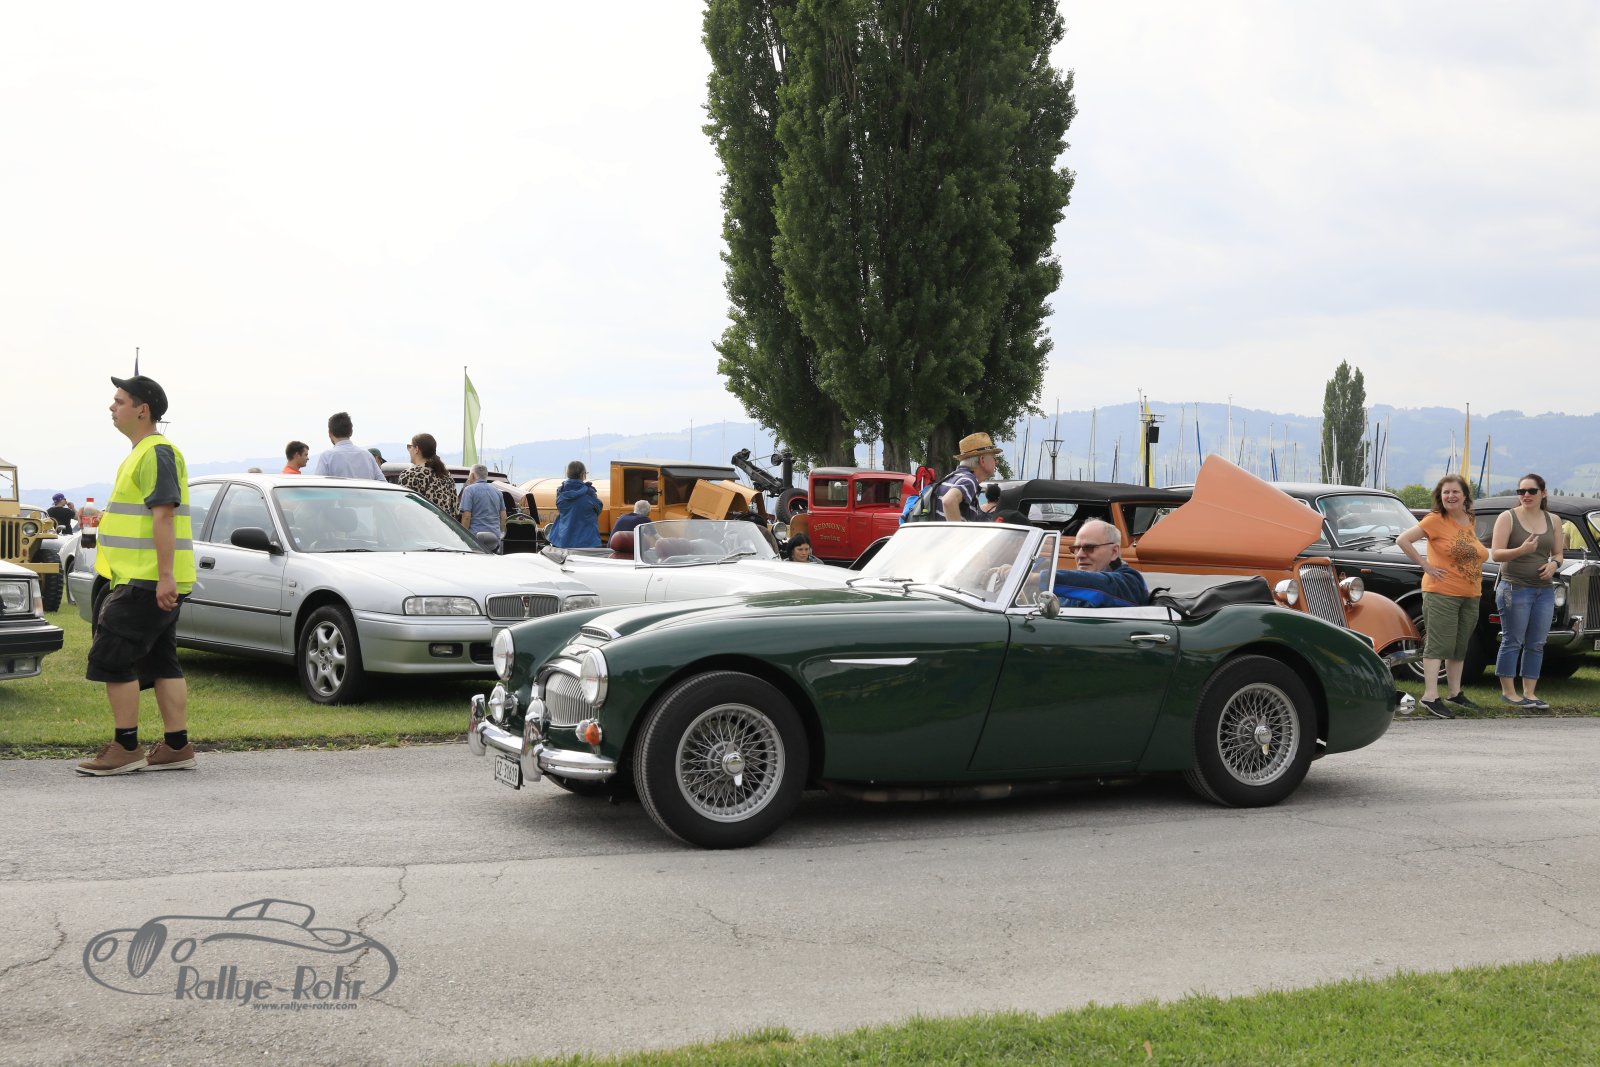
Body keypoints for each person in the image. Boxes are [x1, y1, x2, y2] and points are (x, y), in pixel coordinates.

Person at [76, 374, 197, 776]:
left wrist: (164, 577)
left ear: (142, 410)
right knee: (162, 661)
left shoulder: (157, 452)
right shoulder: (143, 452)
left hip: (146, 580)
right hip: (148, 578)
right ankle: (177, 746)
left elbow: (164, 516)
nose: (112, 407)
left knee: (111, 657)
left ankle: (126, 747)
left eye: (119, 401)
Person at [1397, 474, 1490, 719]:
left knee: (1459, 647)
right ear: (1440, 496)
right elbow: (1403, 540)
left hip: (1470, 593)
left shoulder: (1469, 518)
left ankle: (1455, 693)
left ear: (1465, 495)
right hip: (1442, 593)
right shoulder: (1435, 519)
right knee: (1439, 644)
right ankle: (1430, 696)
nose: (1450, 496)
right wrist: (1425, 565)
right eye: (1446, 492)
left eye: (1455, 492)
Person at [1489, 473, 1561, 710]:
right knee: (1513, 640)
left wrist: (1554, 564)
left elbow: (1558, 553)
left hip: (1544, 591)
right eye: (1521, 491)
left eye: (1531, 491)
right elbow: (1496, 554)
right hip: (1514, 588)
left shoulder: (1554, 520)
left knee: (1537, 642)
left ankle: (1529, 693)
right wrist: (1521, 550)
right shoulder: (1507, 517)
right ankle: (1509, 692)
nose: (1526, 495)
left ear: (1543, 493)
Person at [1053, 520, 1149, 607]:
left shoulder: (1130, 583)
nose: (1080, 555)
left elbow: (1098, 586)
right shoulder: (1076, 586)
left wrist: (1048, 578)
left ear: (1114, 552)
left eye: (1089, 548)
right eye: (1076, 548)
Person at [932, 433, 1003, 522]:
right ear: (982, 460)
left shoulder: (952, 477)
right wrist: (958, 530)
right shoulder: (969, 480)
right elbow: (948, 501)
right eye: (994, 458)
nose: (996, 462)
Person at [398, 433, 460, 515]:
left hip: (421, 522)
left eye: (410, 446)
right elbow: (455, 509)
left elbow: (404, 509)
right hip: (443, 523)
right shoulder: (446, 475)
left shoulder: (410, 475)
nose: (409, 450)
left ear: (416, 449)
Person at [311, 412, 384, 480]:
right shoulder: (368, 456)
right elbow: (382, 482)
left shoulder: (326, 457)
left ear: (330, 433)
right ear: (351, 432)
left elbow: (318, 484)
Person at [549, 460, 603, 548]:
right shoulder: (589, 492)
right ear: (582, 474)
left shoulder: (561, 492)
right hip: (587, 542)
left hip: (563, 541)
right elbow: (598, 508)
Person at [459, 464, 507, 551]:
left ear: (472, 475)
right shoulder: (497, 492)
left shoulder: (469, 490)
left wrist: (463, 537)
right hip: (494, 539)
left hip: (475, 538)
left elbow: (466, 517)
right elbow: (503, 517)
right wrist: (499, 533)